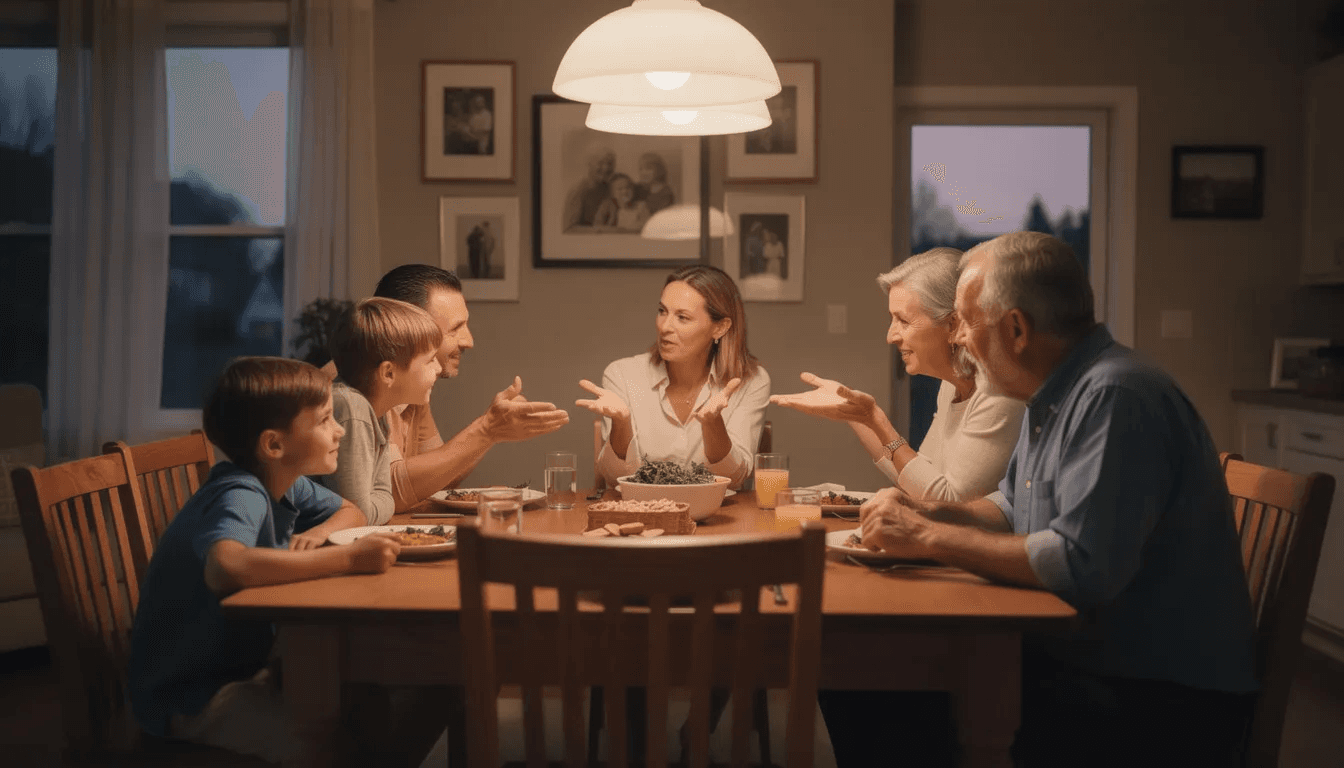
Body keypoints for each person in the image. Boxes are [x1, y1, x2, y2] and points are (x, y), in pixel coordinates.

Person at [859, 231, 1258, 767]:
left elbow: (1080, 564)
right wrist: (926, 512)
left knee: (882, 686)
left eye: (964, 321)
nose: (960, 338)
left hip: (1157, 695)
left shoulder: (1115, 396)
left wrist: (928, 537)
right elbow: (1006, 508)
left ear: (1016, 329)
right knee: (879, 677)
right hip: (1094, 660)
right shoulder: (1051, 394)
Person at [128, 357, 450, 766]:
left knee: (380, 699)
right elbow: (225, 568)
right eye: (324, 421)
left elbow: (350, 510)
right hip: (195, 697)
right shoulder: (240, 492)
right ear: (274, 445)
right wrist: (345, 559)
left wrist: (317, 535)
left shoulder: (285, 482)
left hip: (244, 670)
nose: (340, 430)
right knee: (342, 734)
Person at [770, 247, 1024, 502]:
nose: (890, 336)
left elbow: (948, 502)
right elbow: (919, 478)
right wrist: (858, 416)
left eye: (903, 321)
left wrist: (877, 420)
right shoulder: (951, 386)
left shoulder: (999, 394)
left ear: (953, 324)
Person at [322, 265, 569, 511]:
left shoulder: (411, 386)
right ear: (407, 325)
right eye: (455, 328)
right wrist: (485, 430)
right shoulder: (354, 388)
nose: (469, 341)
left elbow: (438, 478)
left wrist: (491, 431)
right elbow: (390, 490)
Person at [576, 264, 770, 490]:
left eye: (682, 317)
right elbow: (615, 480)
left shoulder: (751, 381)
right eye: (662, 311)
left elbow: (734, 481)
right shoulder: (622, 375)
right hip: (642, 515)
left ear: (720, 328)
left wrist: (713, 425)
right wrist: (622, 424)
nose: (665, 326)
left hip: (717, 518)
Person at [313, 297, 443, 526]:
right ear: (388, 373)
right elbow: (359, 514)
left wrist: (383, 501)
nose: (439, 368)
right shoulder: (352, 408)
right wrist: (384, 503)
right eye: (430, 360)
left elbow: (383, 494)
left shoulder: (377, 411)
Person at [563, 145, 616, 230]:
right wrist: (599, 231)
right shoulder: (578, 191)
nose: (606, 168)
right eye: (600, 163)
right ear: (589, 164)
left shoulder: (611, 188)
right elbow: (569, 229)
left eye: (610, 164)